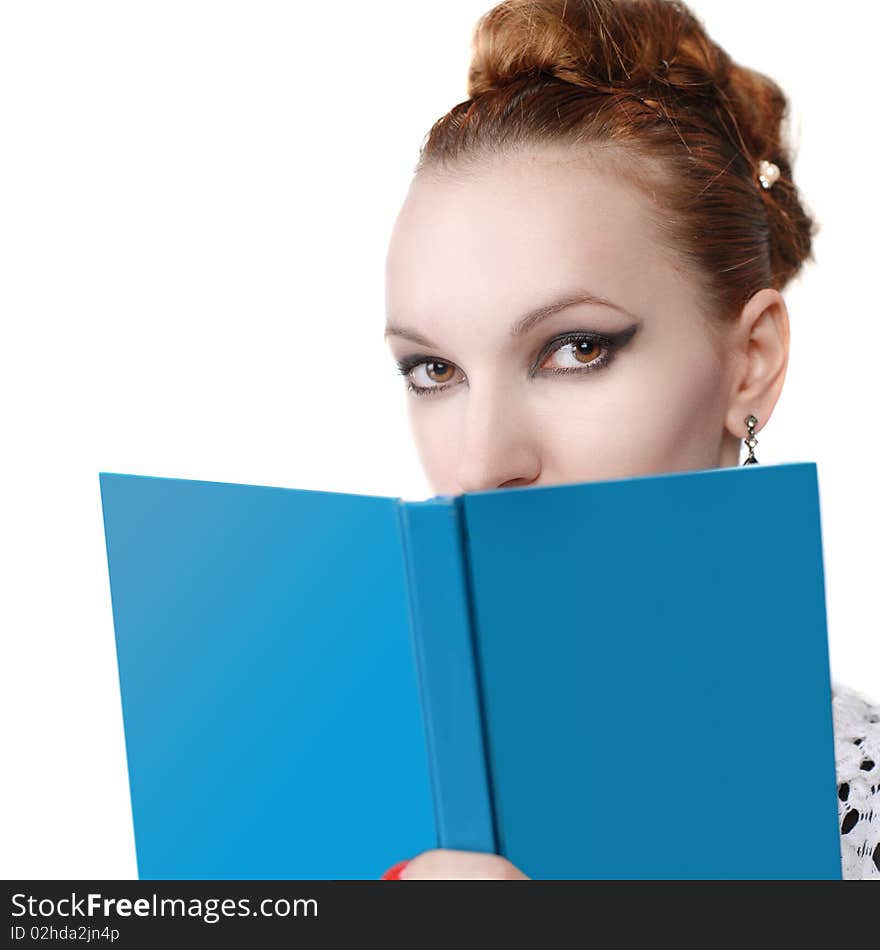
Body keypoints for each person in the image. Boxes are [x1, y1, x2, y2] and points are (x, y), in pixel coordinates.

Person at [380, 0, 879, 879]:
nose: (481, 463)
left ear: (750, 362)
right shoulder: (379, 789)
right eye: (435, 371)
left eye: (576, 349)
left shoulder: (852, 810)